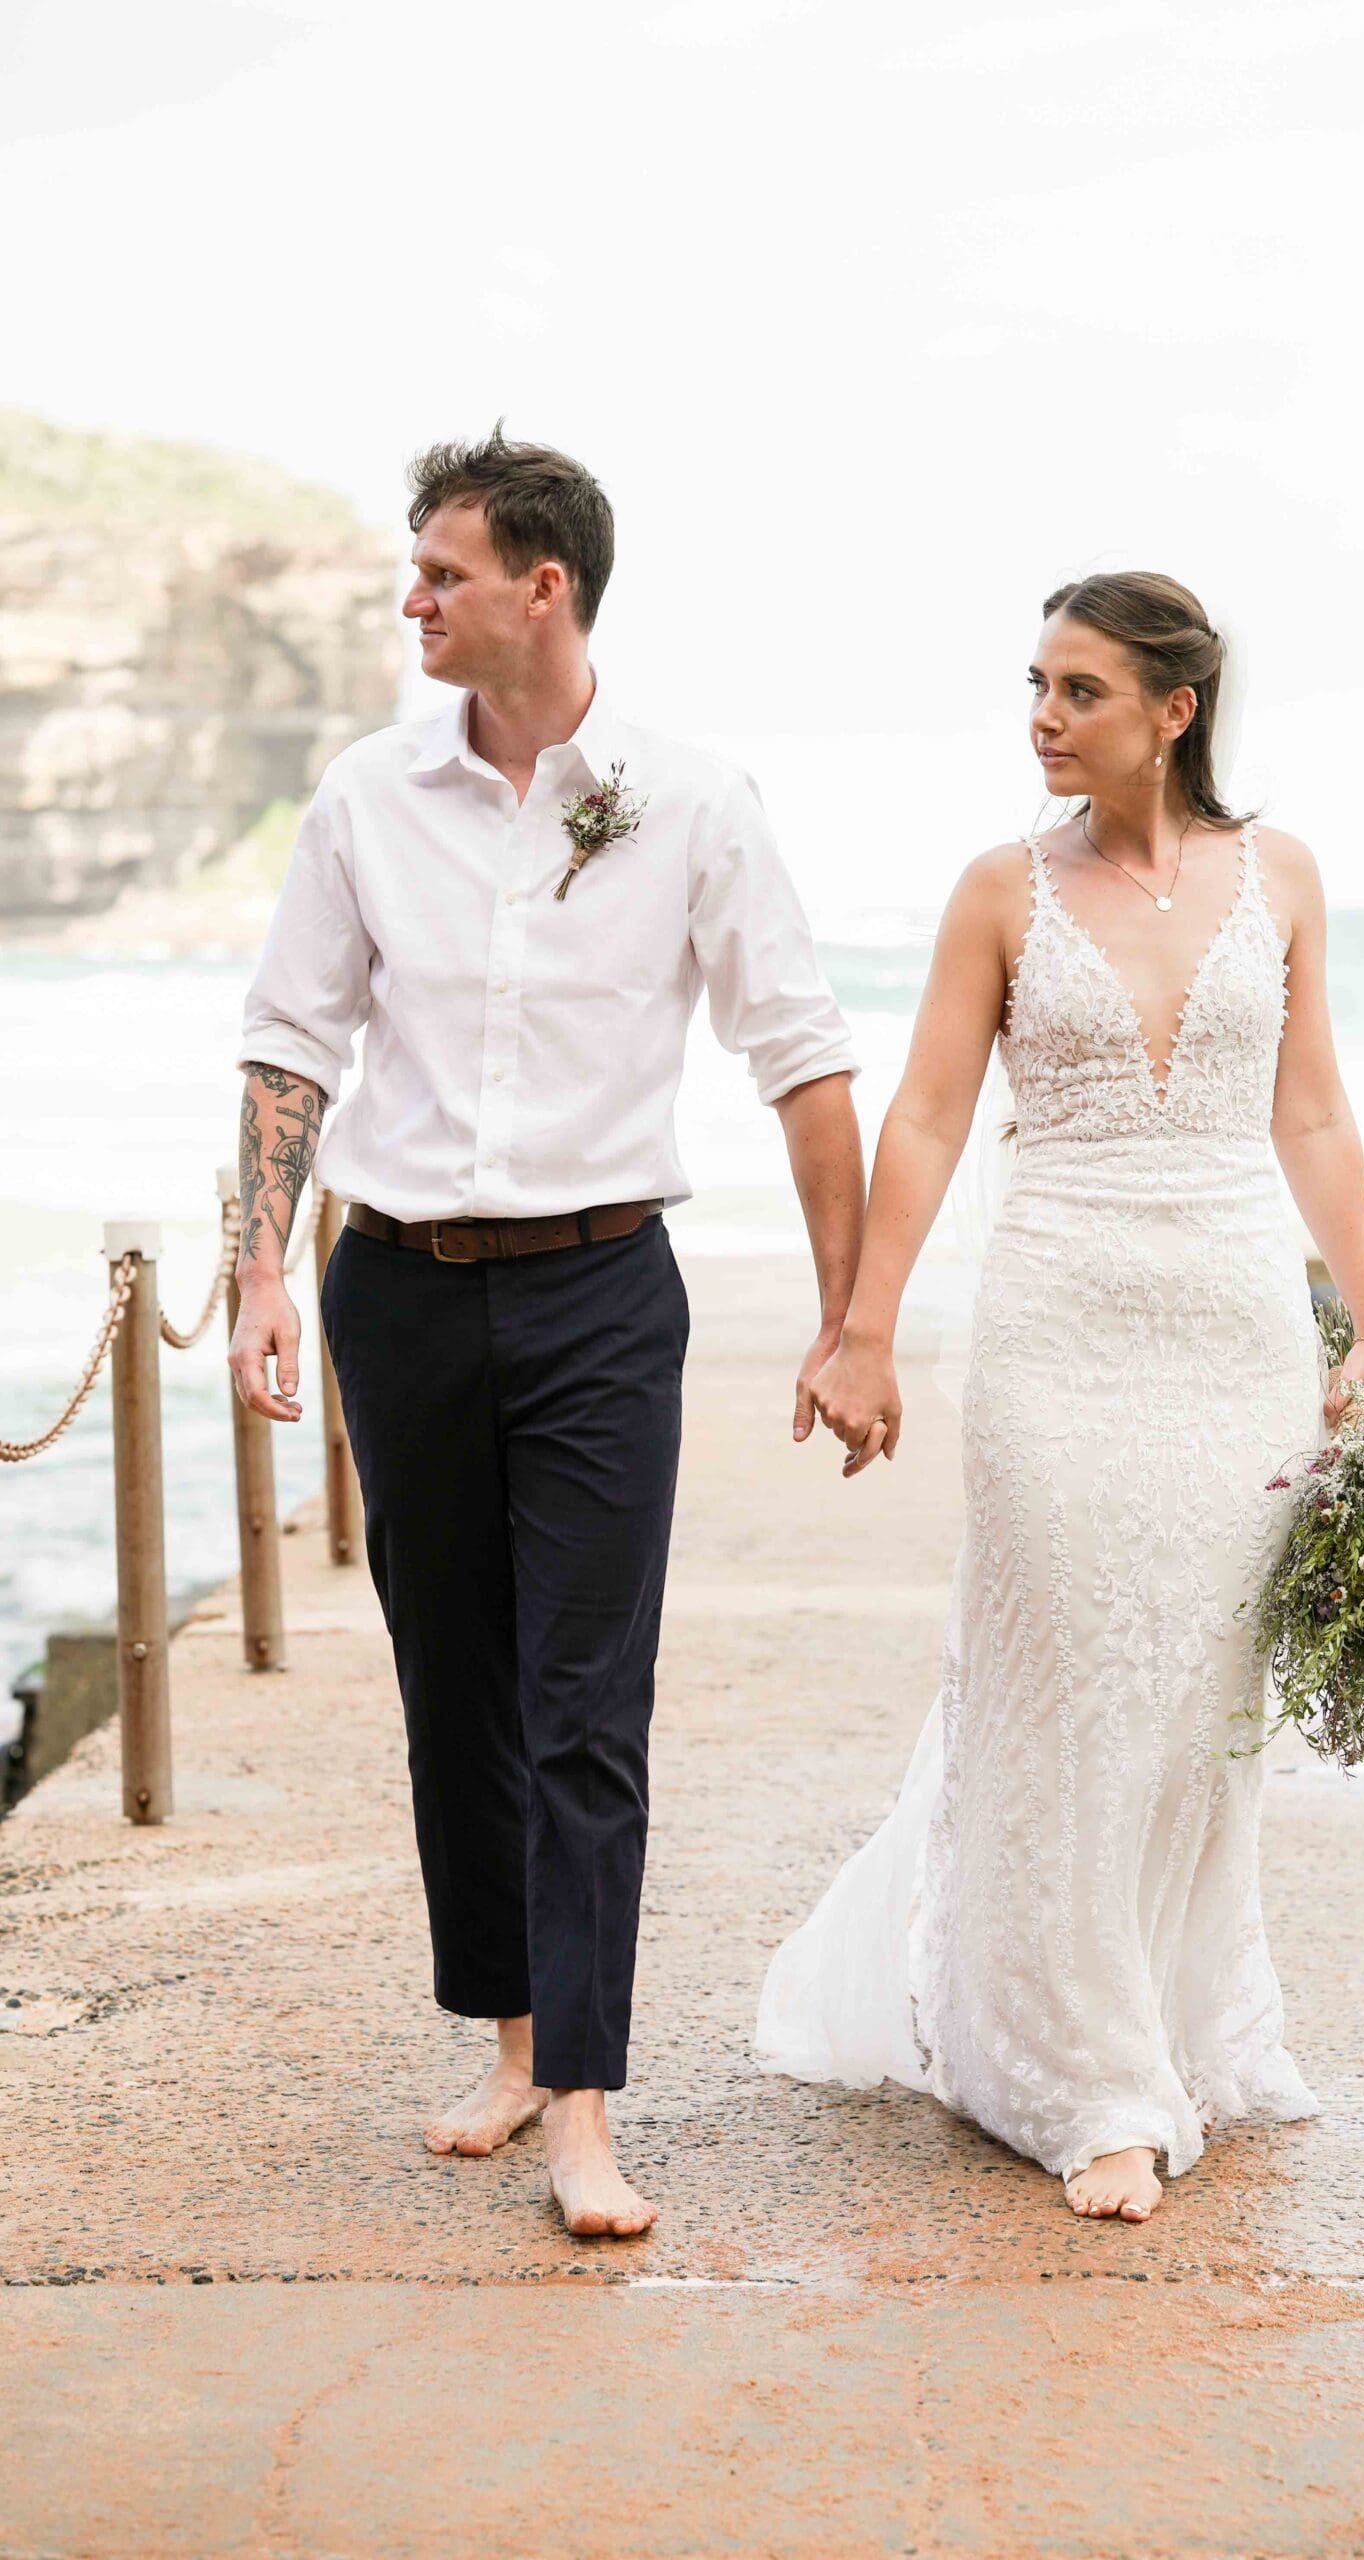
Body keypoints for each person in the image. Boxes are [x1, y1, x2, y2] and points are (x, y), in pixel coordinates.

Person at [230, 428, 863, 2238]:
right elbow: (292, 1042)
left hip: (599, 1292)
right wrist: (267, 1275)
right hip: (398, 1289)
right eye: (412, 569)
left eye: (438, 572)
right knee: (459, 1693)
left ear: (543, 588)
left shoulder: (688, 798)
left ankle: (586, 2102)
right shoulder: (364, 796)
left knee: (588, 1703)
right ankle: (511, 2040)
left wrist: (850, 1317)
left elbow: (800, 1056)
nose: (409, 599)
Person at [755, 571, 1364, 2222]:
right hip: (1055, 1331)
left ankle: (1173, 2017)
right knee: (1065, 1686)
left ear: (1174, 711)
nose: (1041, 716)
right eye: (1035, 685)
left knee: (1192, 1701)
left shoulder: (1287, 878)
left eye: (1079, 690)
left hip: (1237, 1334)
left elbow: (1312, 1117)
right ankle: (1079, 2071)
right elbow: (922, 1121)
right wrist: (866, 1331)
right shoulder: (998, 892)